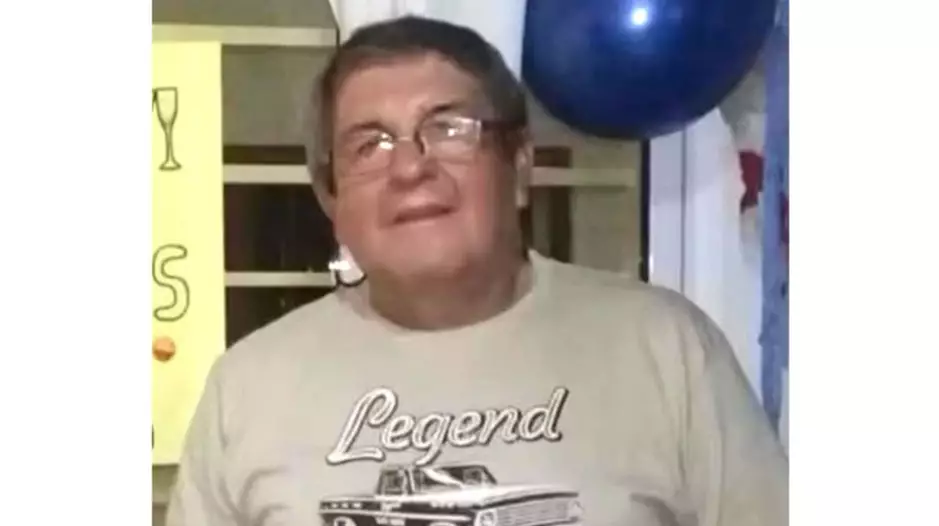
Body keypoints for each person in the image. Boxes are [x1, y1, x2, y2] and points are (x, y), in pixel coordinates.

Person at [167, 16, 787, 526]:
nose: (410, 167)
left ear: (519, 167)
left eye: (448, 129)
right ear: (332, 201)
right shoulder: (246, 390)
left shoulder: (668, 350)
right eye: (369, 144)